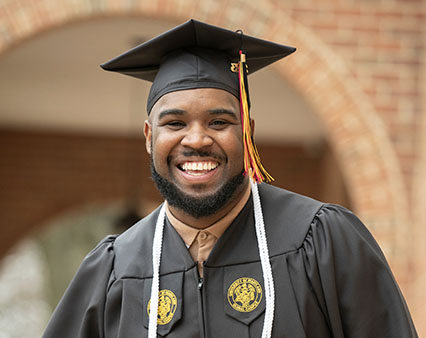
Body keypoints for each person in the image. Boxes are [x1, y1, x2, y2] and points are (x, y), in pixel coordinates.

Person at [42, 19, 418, 338]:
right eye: (174, 123)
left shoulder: (321, 239)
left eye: (219, 122)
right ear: (148, 137)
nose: (196, 139)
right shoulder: (115, 269)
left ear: (247, 133)